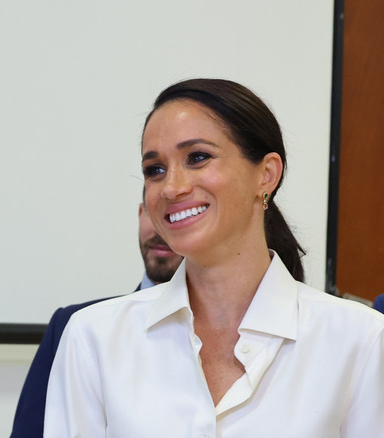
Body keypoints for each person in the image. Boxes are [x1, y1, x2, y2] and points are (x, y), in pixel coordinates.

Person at [44, 79, 384, 436]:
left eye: (198, 157)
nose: (172, 187)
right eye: (154, 169)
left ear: (267, 174)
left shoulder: (360, 340)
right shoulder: (94, 336)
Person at [10, 202, 182, 437]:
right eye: (155, 212)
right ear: (141, 213)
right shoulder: (74, 325)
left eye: (178, 214)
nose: (160, 230)